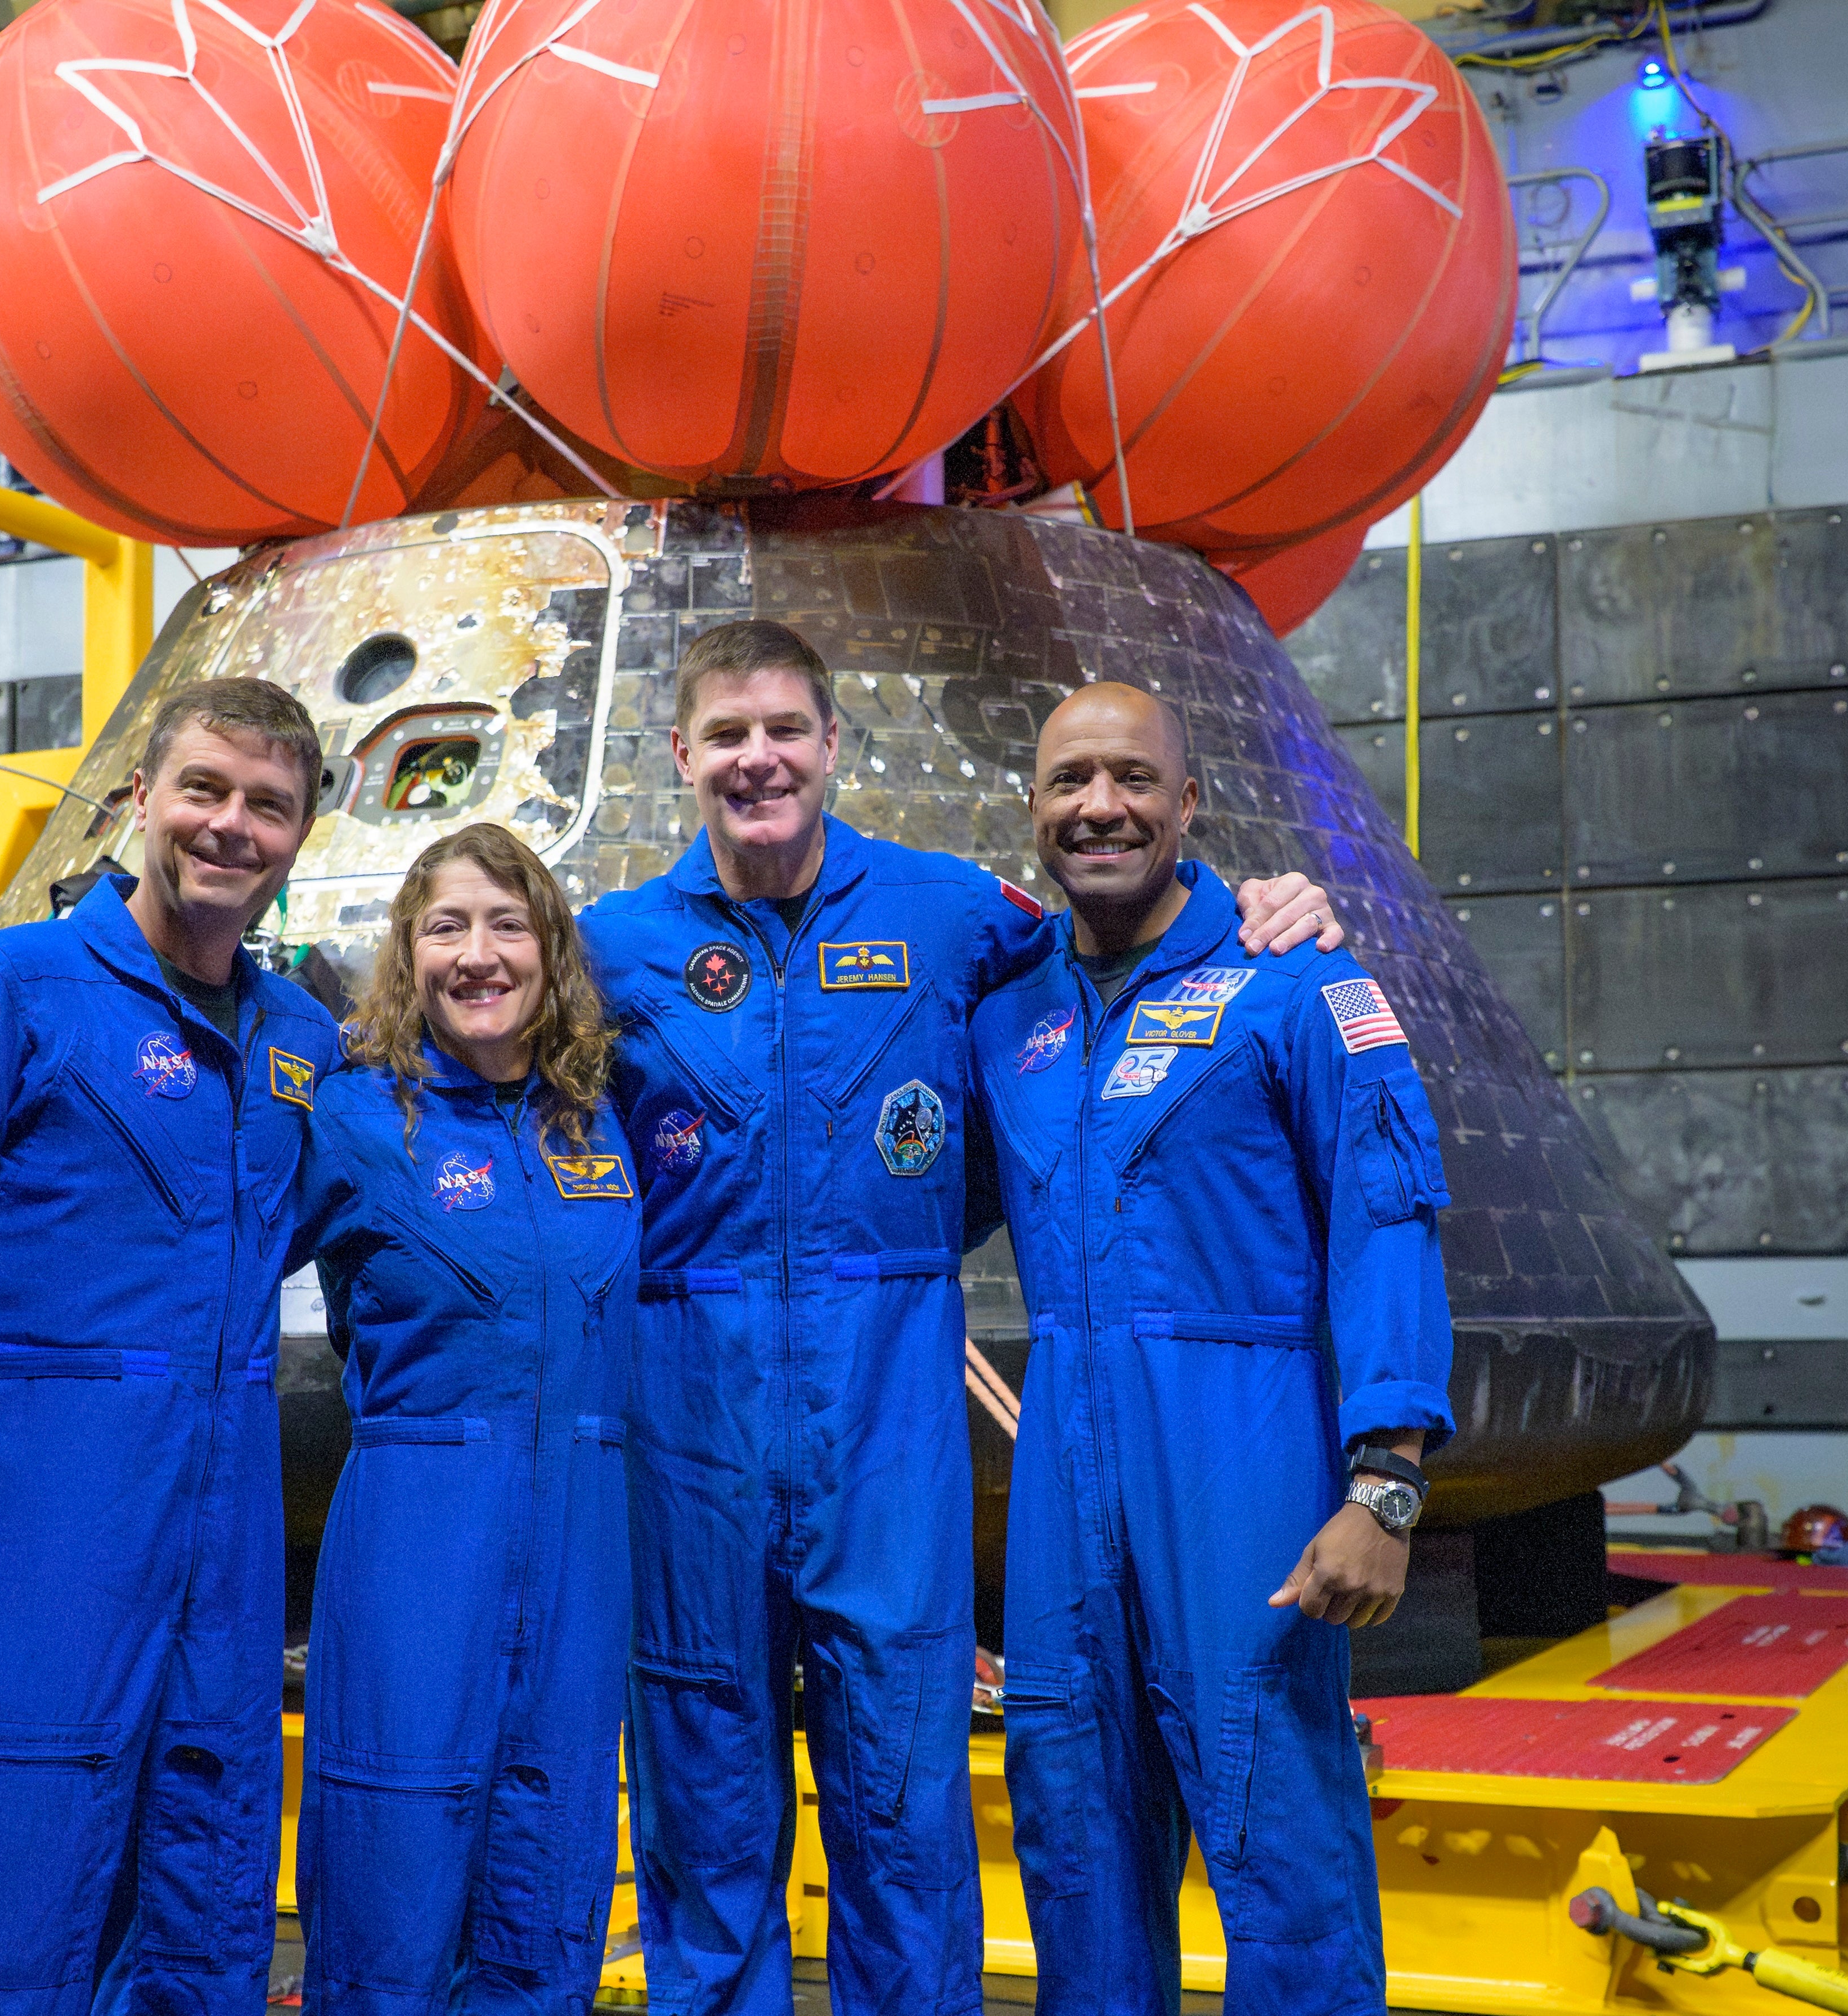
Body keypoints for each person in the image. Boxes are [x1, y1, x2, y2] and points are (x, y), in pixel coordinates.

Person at [576, 620, 1346, 2016]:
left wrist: (1268, 904)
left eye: (787, 732)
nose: (760, 760)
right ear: (681, 757)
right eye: (729, 736)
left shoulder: (952, 915)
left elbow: (1124, 941)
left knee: (902, 1808)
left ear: (830, 748)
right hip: (687, 1413)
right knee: (702, 1797)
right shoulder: (607, 950)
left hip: (888, 1420)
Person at [0, 679, 344, 2016]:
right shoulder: (10, 992)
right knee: (3, 1915)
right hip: (40, 1520)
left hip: (222, 1546)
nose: (230, 828)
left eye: (267, 806)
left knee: (201, 1907)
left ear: (299, 835)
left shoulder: (300, 1043)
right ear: (139, 802)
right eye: (204, 791)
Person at [965, 680, 1455, 2016]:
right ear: (1032, 812)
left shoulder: (1296, 980)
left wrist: (1386, 1485)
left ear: (1188, 803)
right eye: (1069, 782)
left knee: (1276, 1827)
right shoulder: (1007, 1017)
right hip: (1066, 1474)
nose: (1098, 807)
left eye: (1131, 779)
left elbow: (1386, 1227)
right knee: (1072, 1830)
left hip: (1243, 1457)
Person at [286, 824, 640, 2014]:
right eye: (446, 926)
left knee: (549, 1888)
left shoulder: (598, 1119)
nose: (477, 954)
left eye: (506, 924)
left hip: (583, 1550)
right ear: (407, 951)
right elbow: (199, 1271)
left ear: (550, 949)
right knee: (392, 1880)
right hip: (415, 1541)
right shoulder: (349, 1118)